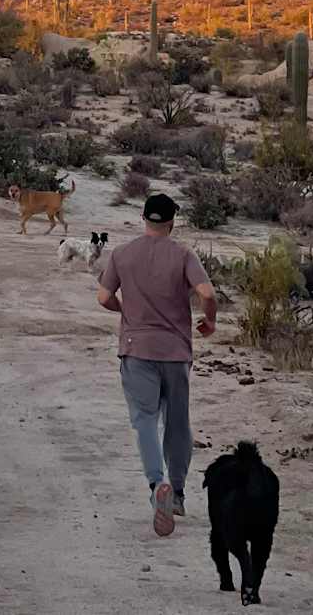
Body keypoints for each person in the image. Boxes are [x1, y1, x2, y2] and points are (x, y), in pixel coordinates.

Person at [96, 191, 217, 536]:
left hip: (136, 348)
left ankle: (156, 485)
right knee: (177, 422)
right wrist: (210, 322)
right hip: (176, 351)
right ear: (172, 221)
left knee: (145, 420)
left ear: (143, 219)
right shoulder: (183, 254)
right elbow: (207, 294)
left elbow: (104, 297)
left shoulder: (122, 254)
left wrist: (125, 312)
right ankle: (177, 493)